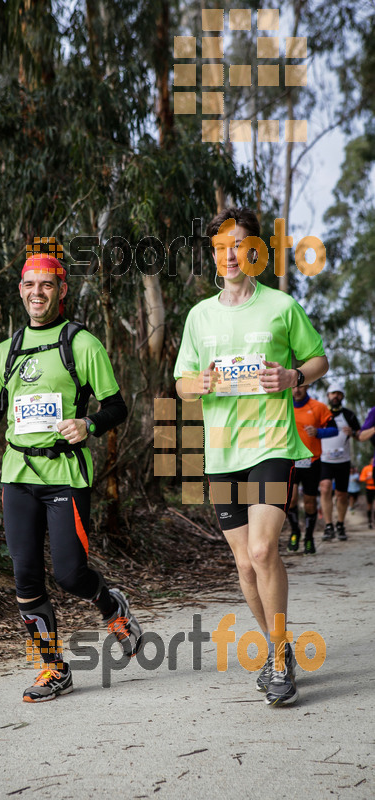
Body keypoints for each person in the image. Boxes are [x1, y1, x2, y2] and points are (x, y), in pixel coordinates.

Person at [0, 254, 142, 703]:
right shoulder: (4, 352)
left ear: (62, 290)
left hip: (66, 476)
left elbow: (116, 406)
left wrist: (88, 425)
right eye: (30, 285)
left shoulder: (82, 344)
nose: (37, 293)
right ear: (20, 290)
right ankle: (53, 668)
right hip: (17, 476)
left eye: (47, 286)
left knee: (70, 575)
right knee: (25, 578)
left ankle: (111, 604)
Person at [174, 206, 329, 707]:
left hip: (270, 444)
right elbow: (181, 385)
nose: (230, 254)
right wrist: (198, 384)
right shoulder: (200, 316)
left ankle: (281, 662)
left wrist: (293, 378)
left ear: (255, 250)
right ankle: (276, 648)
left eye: (238, 244)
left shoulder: (281, 306)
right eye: (220, 246)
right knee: (243, 564)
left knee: (263, 551)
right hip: (221, 453)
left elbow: (318, 358)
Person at [287, 385, 337, 554]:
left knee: (309, 502)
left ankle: (309, 537)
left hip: (312, 461)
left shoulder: (318, 407)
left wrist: (318, 432)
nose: (297, 390)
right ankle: (295, 532)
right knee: (290, 499)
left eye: (300, 386)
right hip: (289, 460)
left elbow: (334, 430)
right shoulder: (283, 405)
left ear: (307, 385)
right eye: (293, 387)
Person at [319, 385, 361, 541]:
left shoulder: (349, 415)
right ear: (328, 395)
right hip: (325, 460)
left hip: (343, 461)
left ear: (342, 396)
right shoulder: (321, 412)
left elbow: (359, 435)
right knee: (325, 488)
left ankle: (340, 524)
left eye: (338, 393)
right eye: (332, 393)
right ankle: (328, 525)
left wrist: (354, 433)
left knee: (342, 495)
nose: (335, 396)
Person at [359, 463, 375, 529]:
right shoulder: (366, 468)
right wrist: (367, 478)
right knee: (369, 505)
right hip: (369, 488)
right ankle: (369, 521)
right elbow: (361, 478)